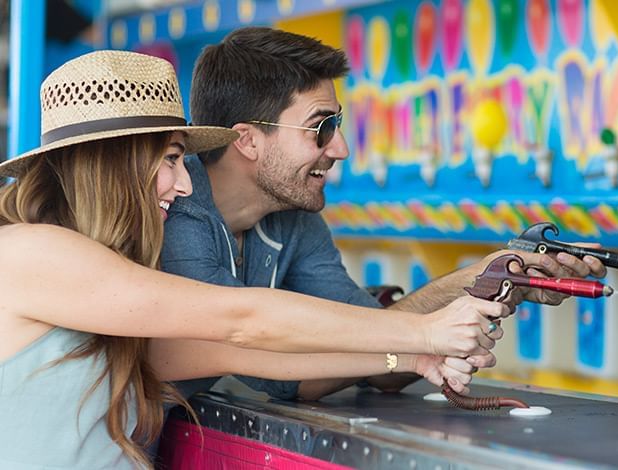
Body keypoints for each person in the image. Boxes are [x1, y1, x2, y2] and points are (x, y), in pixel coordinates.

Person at [0, 50, 507, 469]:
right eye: (172, 159)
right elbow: (241, 319)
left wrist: (414, 359)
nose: (183, 183)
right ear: (114, 164)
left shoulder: (113, 297)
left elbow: (250, 355)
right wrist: (426, 331)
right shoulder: (31, 253)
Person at [163, 26, 608, 401]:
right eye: (322, 128)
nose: (340, 149)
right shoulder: (177, 214)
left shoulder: (293, 216)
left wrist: (484, 282)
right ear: (247, 140)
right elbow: (272, 360)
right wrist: (431, 333)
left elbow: (376, 352)